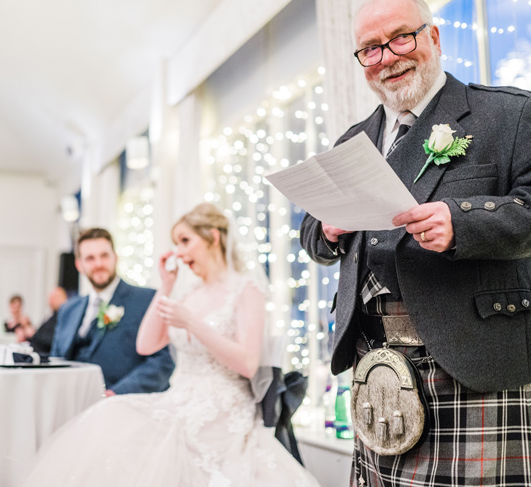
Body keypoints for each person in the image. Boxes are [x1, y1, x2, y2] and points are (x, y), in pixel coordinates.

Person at [299, 0, 531, 486]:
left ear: (433, 36)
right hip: (375, 369)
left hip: (475, 363)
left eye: (401, 38)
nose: (387, 58)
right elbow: (311, 233)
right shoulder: (354, 140)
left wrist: (464, 220)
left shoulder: (508, 115)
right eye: (371, 48)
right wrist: (325, 228)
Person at [23, 204, 319, 486]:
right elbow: (146, 344)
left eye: (185, 240)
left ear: (212, 237)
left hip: (222, 408)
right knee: (111, 418)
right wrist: (166, 285)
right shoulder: (189, 292)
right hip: (180, 398)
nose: (178, 251)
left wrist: (193, 323)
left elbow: (248, 363)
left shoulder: (246, 290)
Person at [50, 228, 174, 395]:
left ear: (115, 258)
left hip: (123, 404)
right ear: (79, 265)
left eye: (104, 256)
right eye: (90, 258)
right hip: (71, 400)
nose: (99, 264)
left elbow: (163, 362)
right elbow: (55, 360)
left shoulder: (147, 299)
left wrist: (115, 393)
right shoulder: (68, 309)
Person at [28, 287, 67, 355]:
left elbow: (55, 340)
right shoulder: (52, 316)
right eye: (50, 298)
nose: (50, 301)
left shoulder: (63, 318)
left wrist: (33, 334)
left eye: (53, 298)